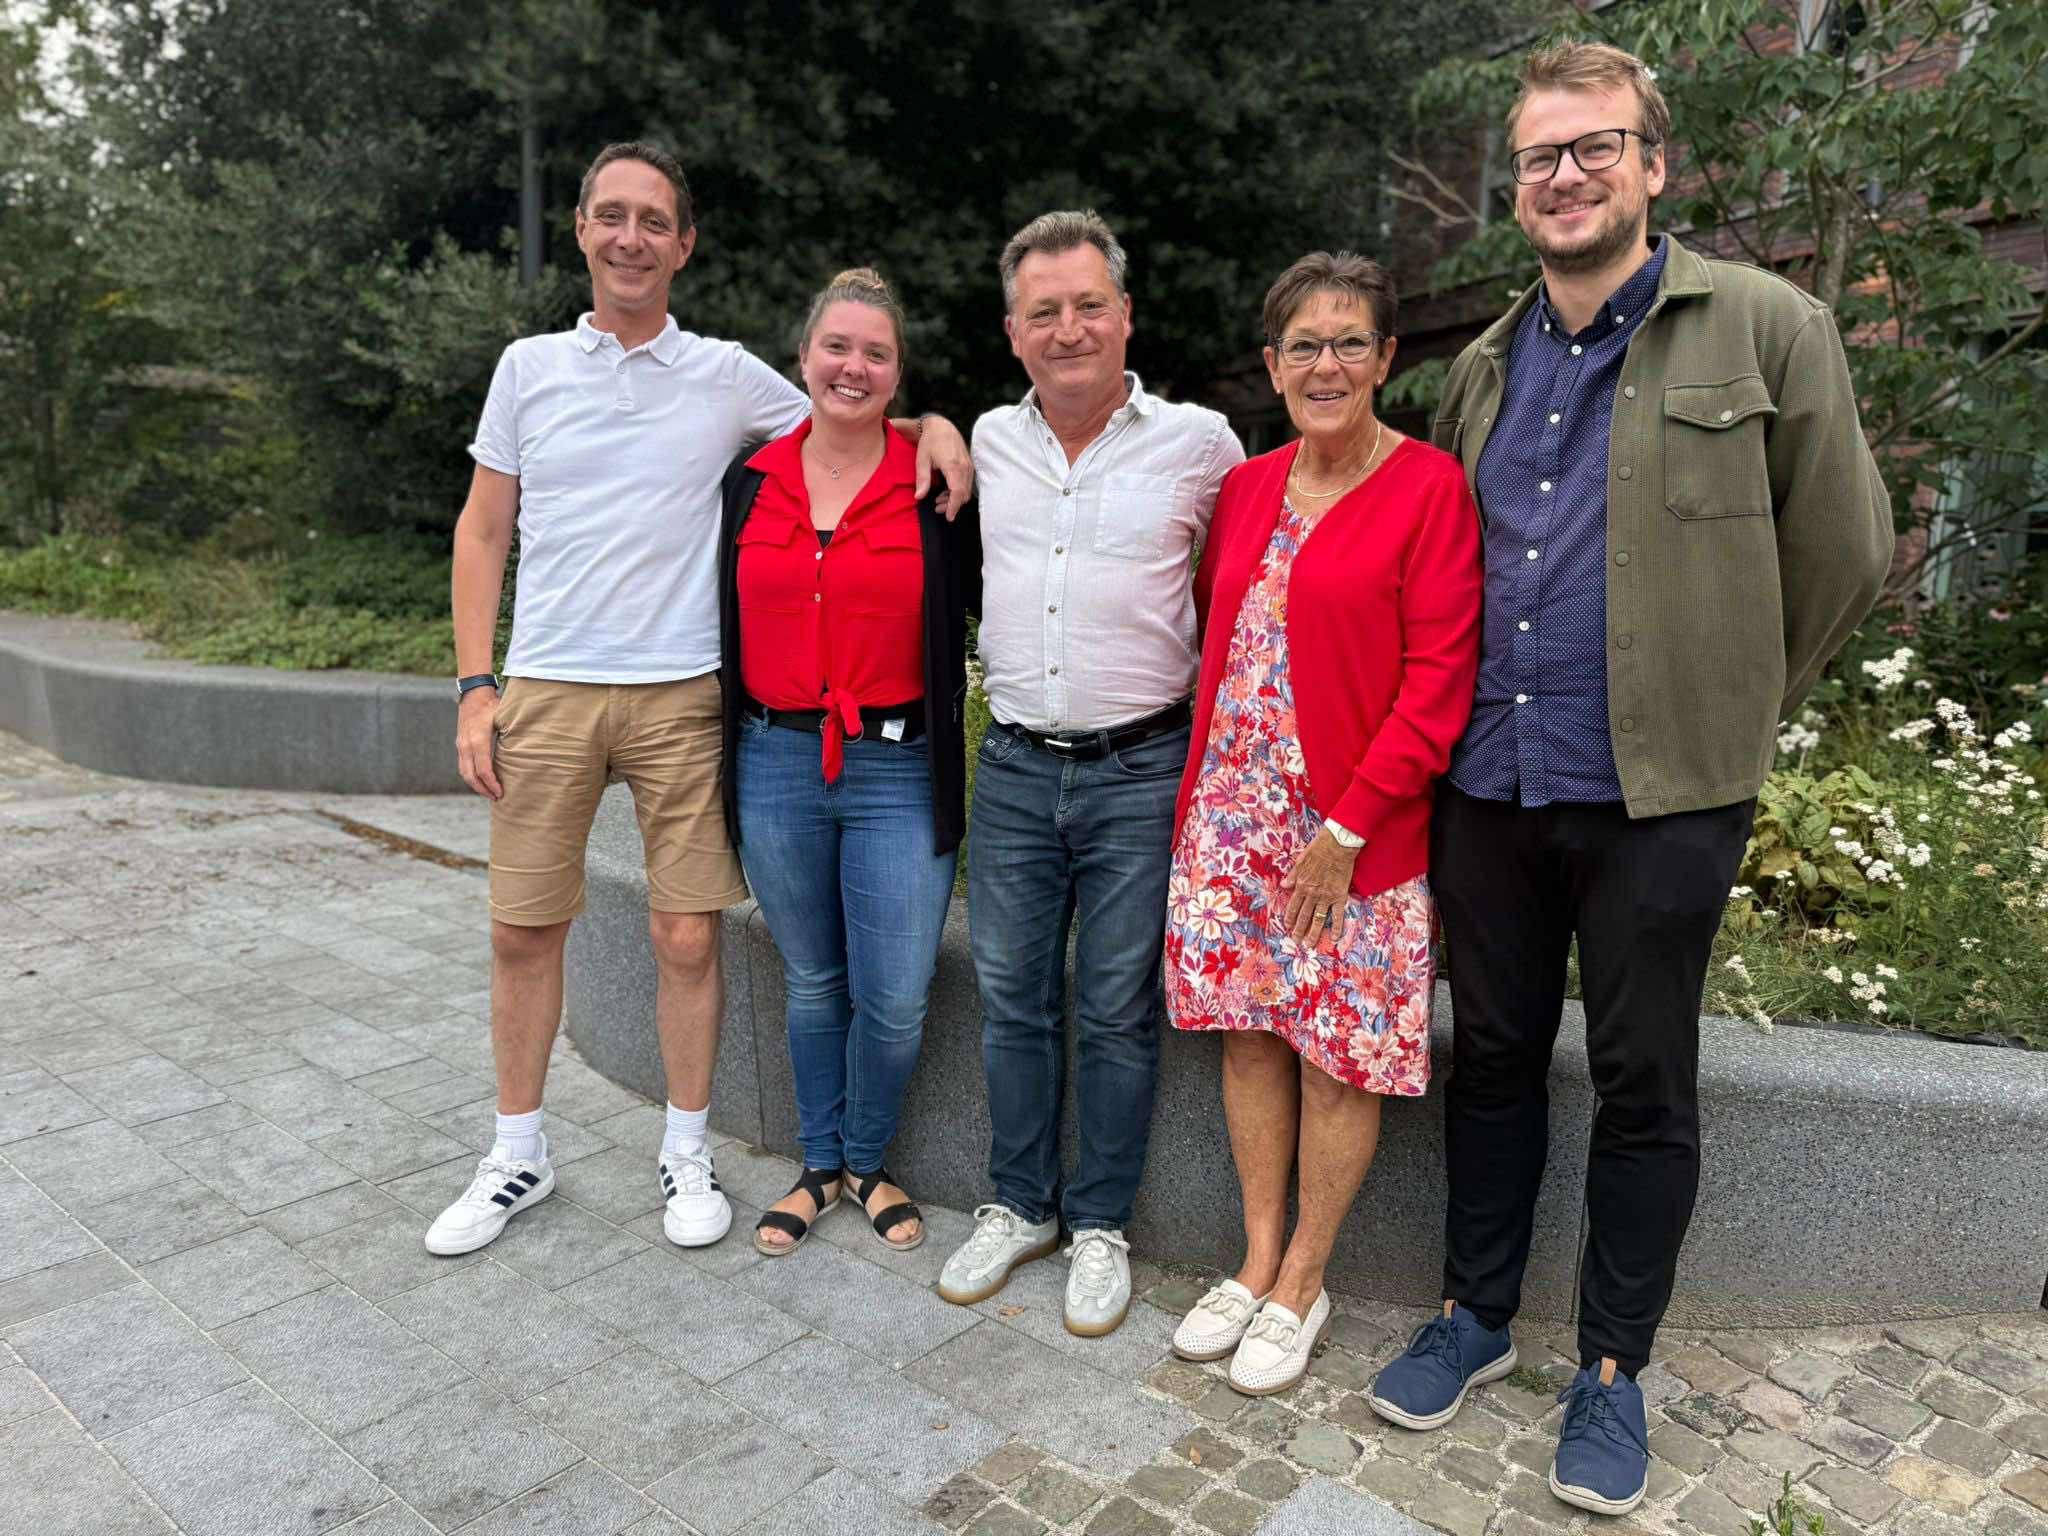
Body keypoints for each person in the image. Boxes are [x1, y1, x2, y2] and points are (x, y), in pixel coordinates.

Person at [1365, 43, 1892, 1516]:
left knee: (1644, 1078)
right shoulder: (1485, 364)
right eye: (1540, 156)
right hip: (1491, 782)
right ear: (1518, 188)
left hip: (1661, 801)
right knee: (1490, 1058)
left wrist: (1728, 709)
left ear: (1653, 165)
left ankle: (1609, 1370)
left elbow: (1845, 550)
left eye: (1595, 147)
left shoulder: (1766, 327)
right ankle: (1473, 1314)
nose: (1566, 176)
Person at [429, 142, 972, 1259]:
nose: (630, 238)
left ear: (684, 244)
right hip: (547, 687)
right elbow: (482, 530)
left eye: (653, 220)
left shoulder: (726, 376)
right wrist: (475, 685)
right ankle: (517, 1152)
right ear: (581, 227)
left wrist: (936, 427)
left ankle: (686, 1150)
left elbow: (847, 414)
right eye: (610, 215)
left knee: (686, 936)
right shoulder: (527, 367)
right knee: (522, 929)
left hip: (682, 694)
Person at [1162, 253, 1481, 1395]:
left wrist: (1344, 831)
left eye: (1350, 342)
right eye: (1304, 345)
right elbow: (1224, 641)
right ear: (1272, 366)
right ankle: (1253, 1258)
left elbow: (1439, 681)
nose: (1326, 365)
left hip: (1352, 838)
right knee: (1249, 1033)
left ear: (1386, 358)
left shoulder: (1428, 488)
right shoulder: (1247, 488)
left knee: (1336, 1058)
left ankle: (1305, 1278)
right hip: (1232, 820)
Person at [936, 211, 1244, 1335]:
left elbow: (1243, 581)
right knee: (1011, 998)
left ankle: (1101, 1222)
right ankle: (1019, 1204)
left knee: (1116, 1007)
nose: (1067, 329)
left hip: (1140, 768)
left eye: (1087, 306)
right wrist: (926, 422)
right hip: (1016, 766)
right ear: (1012, 332)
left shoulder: (1201, 444)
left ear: (1124, 316)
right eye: (1043, 312)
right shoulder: (986, 437)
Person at [714, 268, 978, 1256]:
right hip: (774, 759)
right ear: (803, 357)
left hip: (897, 769)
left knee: (897, 994)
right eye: (837, 346)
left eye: (875, 352)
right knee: (814, 980)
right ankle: (818, 1167)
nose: (853, 367)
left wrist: (937, 428)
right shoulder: (749, 481)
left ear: (897, 373)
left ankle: (868, 1160)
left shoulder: (934, 485)